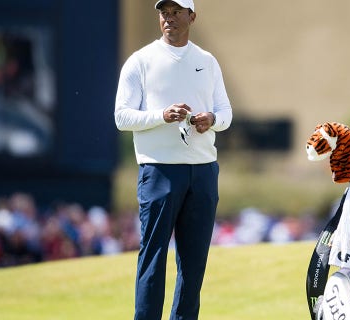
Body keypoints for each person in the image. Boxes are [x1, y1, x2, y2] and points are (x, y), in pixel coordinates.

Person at [114, 0, 233, 318]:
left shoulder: (207, 61)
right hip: (159, 168)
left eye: (177, 12)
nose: (169, 18)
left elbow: (225, 112)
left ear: (192, 16)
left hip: (203, 169)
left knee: (193, 264)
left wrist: (211, 119)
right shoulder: (141, 61)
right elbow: (122, 117)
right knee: (153, 257)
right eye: (164, 12)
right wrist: (162, 116)